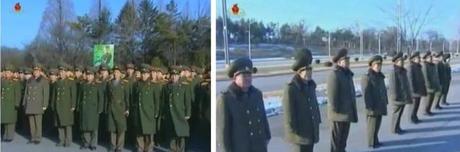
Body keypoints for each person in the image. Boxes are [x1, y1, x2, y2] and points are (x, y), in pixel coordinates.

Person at [217, 57, 271, 152]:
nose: (248, 78)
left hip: (259, 147)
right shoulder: (226, 98)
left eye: (249, 75)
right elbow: (223, 133)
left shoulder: (256, 94)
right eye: (244, 76)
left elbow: (263, 118)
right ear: (235, 77)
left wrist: (267, 136)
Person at [282, 48, 321, 152]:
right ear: (299, 72)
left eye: (310, 69)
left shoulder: (311, 86)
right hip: (299, 135)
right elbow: (288, 114)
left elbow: (314, 106)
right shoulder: (291, 88)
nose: (309, 72)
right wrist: (293, 131)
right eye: (306, 70)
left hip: (310, 131)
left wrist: (317, 121)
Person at [327, 48, 358, 152]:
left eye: (348, 60)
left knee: (343, 139)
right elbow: (332, 96)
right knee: (336, 140)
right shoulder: (335, 74)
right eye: (346, 60)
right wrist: (336, 111)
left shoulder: (347, 74)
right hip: (338, 114)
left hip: (347, 112)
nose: (348, 62)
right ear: (339, 62)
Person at [361, 55, 388, 148]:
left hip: (380, 104)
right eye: (377, 65)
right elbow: (366, 93)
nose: (379, 67)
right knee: (372, 126)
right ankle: (371, 142)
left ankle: (375, 140)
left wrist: (385, 101)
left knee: (377, 125)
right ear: (372, 66)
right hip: (372, 106)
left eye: (380, 65)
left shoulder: (380, 76)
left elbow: (383, 90)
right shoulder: (367, 77)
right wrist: (369, 106)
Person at [132, 64, 159, 152]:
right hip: (139, 112)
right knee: (139, 133)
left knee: (149, 133)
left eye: (145, 74)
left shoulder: (153, 85)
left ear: (149, 74)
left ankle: (148, 149)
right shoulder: (137, 84)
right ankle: (140, 148)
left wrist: (156, 111)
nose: (144, 75)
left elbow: (156, 100)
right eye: (142, 73)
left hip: (149, 112)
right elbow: (133, 98)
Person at [22, 63, 50, 144]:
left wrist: (45, 104)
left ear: (40, 71)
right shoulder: (30, 80)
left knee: (38, 122)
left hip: (38, 104)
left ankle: (38, 138)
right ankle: (33, 137)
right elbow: (26, 93)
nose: (35, 72)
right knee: (31, 123)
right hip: (30, 104)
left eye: (37, 71)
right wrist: (24, 102)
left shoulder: (43, 80)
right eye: (34, 70)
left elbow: (46, 94)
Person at [78, 68, 103, 151]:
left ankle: (93, 144)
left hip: (93, 109)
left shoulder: (97, 85)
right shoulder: (83, 84)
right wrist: (78, 106)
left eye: (90, 75)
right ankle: (86, 143)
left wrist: (100, 108)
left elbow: (100, 98)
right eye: (87, 75)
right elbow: (79, 97)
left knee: (94, 127)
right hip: (84, 108)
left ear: (93, 76)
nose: (88, 77)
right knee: (84, 127)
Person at [51, 65, 77, 147]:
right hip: (58, 106)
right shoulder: (57, 82)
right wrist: (52, 104)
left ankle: (68, 141)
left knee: (67, 124)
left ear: (66, 72)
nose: (61, 73)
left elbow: (73, 95)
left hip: (67, 106)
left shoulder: (70, 82)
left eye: (63, 72)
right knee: (59, 124)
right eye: (60, 72)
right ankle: (61, 140)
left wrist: (73, 105)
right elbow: (54, 95)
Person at [106, 65, 130, 152]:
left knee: (121, 128)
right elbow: (107, 97)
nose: (115, 74)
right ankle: (112, 145)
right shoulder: (109, 83)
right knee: (112, 128)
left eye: (117, 72)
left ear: (120, 74)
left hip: (120, 108)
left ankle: (119, 147)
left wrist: (127, 108)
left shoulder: (124, 84)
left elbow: (127, 98)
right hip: (111, 107)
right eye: (114, 72)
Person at [388, 52, 412, 135]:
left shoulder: (403, 71)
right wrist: (395, 97)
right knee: (396, 113)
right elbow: (393, 86)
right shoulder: (394, 72)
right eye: (399, 61)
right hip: (397, 97)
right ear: (395, 62)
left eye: (402, 61)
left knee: (400, 113)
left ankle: (397, 127)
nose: (401, 63)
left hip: (403, 96)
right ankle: (394, 128)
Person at [1, 65, 21, 142]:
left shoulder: (15, 82)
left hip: (12, 104)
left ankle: (10, 136)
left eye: (9, 72)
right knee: (5, 120)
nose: (7, 74)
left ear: (12, 73)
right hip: (3, 103)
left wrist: (16, 104)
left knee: (11, 121)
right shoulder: (2, 81)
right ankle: (5, 135)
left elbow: (17, 94)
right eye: (6, 72)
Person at [406, 52, 427, 124]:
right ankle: (411, 118)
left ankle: (415, 116)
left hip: (419, 89)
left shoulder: (418, 66)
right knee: (413, 105)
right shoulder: (410, 67)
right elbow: (410, 79)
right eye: (418, 58)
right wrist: (412, 90)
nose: (419, 59)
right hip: (414, 90)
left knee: (417, 104)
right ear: (414, 59)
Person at [421, 51, 441, 116]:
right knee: (427, 99)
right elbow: (425, 77)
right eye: (429, 58)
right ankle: (425, 110)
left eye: (431, 57)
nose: (431, 59)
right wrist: (428, 85)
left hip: (433, 85)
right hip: (428, 86)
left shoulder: (432, 65)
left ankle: (428, 110)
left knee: (431, 99)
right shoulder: (425, 66)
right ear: (426, 58)